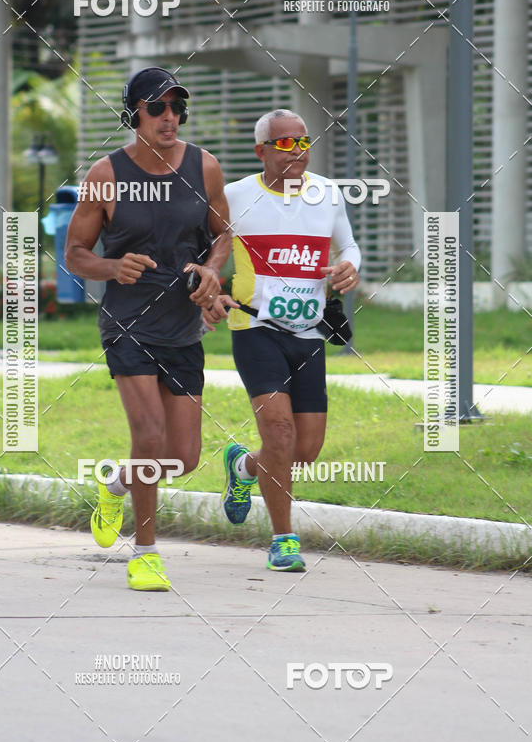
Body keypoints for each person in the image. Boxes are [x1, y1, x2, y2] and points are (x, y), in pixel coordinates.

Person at [65, 66, 233, 591]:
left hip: (182, 328)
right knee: (150, 436)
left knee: (182, 458)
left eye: (177, 107)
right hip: (128, 325)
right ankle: (145, 553)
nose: (169, 117)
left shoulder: (204, 167)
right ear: (133, 114)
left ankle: (115, 484)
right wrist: (112, 267)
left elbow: (223, 234)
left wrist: (213, 271)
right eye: (157, 107)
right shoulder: (106, 174)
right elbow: (75, 254)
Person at [203, 109, 361, 572]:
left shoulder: (327, 193)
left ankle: (242, 467)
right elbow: (205, 254)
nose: (297, 151)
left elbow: (348, 246)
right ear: (261, 151)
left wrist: (349, 266)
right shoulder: (235, 196)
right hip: (255, 329)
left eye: (303, 141)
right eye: (285, 143)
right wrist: (209, 295)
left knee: (303, 451)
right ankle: (283, 540)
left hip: (309, 332)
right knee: (279, 433)